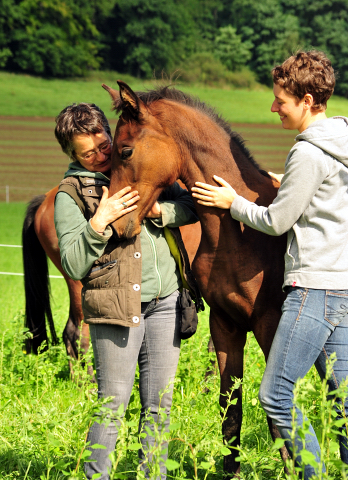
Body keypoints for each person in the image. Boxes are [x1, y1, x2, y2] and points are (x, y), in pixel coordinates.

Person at [191, 50, 348, 478]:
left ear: (310, 99)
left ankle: (314, 475)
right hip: (343, 287)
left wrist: (232, 202)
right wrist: (290, 184)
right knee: (344, 400)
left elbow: (277, 223)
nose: (273, 107)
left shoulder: (308, 154)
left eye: (282, 99)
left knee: (276, 396)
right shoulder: (341, 144)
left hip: (312, 290)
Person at [53, 102, 199, 479]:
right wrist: (98, 222)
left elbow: (188, 203)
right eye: (88, 154)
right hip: (116, 309)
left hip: (165, 302)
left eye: (104, 145)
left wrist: (159, 213)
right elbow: (71, 263)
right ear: (71, 154)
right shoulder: (71, 195)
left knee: (158, 406)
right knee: (113, 405)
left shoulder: (137, 164)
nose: (101, 155)